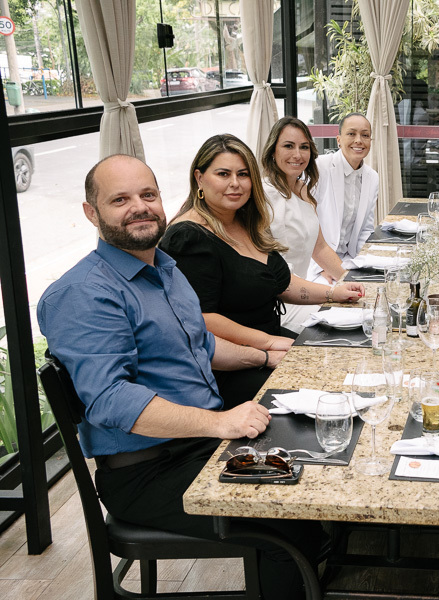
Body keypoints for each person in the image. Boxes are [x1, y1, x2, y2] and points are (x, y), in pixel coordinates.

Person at [37, 154, 325, 600]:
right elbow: (111, 399)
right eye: (120, 199)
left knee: (322, 461)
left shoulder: (164, 268)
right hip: (148, 473)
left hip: (197, 449)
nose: (140, 206)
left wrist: (269, 356)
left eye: (148, 195)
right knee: (290, 531)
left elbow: (202, 347)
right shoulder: (83, 293)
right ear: (91, 213)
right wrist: (221, 423)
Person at [159, 134, 364, 409]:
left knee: (350, 363)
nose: (235, 183)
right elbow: (202, 319)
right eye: (223, 174)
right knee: (330, 394)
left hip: (269, 344)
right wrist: (269, 343)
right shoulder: (188, 237)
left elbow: (280, 283)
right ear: (199, 178)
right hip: (228, 367)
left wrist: (334, 293)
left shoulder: (245, 220)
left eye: (243, 174)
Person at [261, 116, 347, 331]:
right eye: (288, 146)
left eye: (304, 147)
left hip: (304, 291)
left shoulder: (303, 193)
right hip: (276, 301)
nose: (297, 155)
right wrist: (330, 293)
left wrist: (347, 280)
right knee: (339, 326)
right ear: (273, 151)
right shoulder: (262, 196)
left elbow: (320, 248)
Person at [311, 112, 378, 275]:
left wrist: (365, 263)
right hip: (315, 264)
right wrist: (326, 266)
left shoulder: (372, 177)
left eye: (365, 135)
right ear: (339, 140)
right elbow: (306, 225)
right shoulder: (320, 167)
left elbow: (366, 229)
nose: (359, 140)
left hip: (350, 260)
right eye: (351, 134)